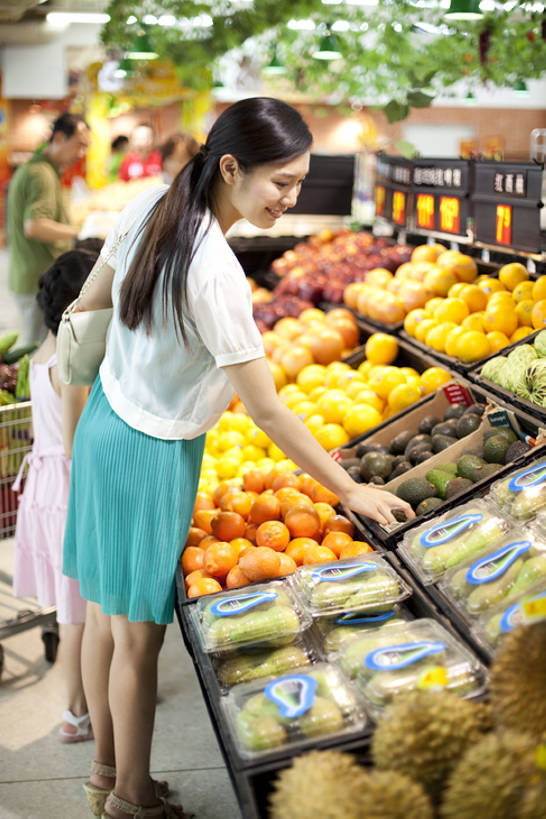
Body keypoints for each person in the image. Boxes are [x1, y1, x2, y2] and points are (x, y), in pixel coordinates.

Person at [62, 97, 413, 819]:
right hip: (153, 452)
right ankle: (133, 798)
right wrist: (349, 488)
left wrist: (78, 416)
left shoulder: (147, 207)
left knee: (104, 620)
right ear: (230, 167)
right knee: (137, 646)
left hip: (103, 426)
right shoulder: (215, 269)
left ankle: (105, 773)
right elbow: (267, 410)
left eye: (299, 182)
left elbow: (84, 313)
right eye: (281, 182)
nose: (292, 198)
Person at [12, 248, 99, 743]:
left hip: (43, 490)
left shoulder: (36, 356)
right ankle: (76, 714)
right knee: (77, 617)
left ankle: (85, 703)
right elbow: (74, 443)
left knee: (74, 612)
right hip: (69, 490)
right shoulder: (72, 364)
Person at [7, 112, 91, 347]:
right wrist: (79, 232)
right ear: (60, 138)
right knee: (37, 350)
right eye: (79, 145)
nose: (81, 154)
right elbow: (34, 226)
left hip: (30, 274)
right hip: (35, 278)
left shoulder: (41, 169)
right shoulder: (41, 174)